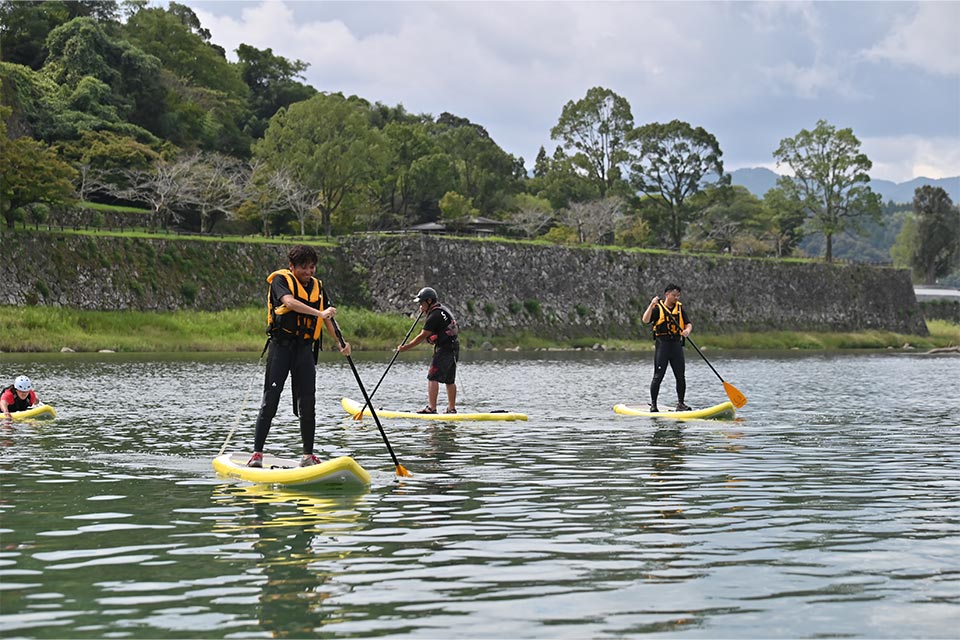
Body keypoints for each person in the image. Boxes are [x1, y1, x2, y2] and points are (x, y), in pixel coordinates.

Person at [248, 245, 351, 468]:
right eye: (303, 267)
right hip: (281, 348)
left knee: (308, 402)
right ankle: (257, 454)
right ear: (292, 266)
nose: (309, 272)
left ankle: (307, 455)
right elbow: (289, 303)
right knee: (270, 401)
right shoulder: (280, 281)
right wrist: (319, 313)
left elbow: (328, 318)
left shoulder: (318, 287)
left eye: (312, 267)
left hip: (304, 350)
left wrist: (341, 343)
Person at [397, 286, 460, 414]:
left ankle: (432, 408)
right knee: (449, 380)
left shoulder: (434, 315)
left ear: (430, 301)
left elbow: (422, 336)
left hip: (444, 349)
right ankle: (451, 409)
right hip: (453, 347)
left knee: (432, 377)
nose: (420, 305)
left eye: (422, 302)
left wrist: (405, 347)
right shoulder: (443, 309)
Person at [641, 283, 693, 412]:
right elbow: (645, 320)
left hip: (676, 345)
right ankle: (654, 405)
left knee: (680, 376)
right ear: (667, 295)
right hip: (663, 345)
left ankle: (681, 403)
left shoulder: (680, 309)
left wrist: (687, 331)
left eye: (678, 296)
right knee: (658, 375)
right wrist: (651, 305)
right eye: (674, 295)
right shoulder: (658, 308)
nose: (676, 298)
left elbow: (688, 324)